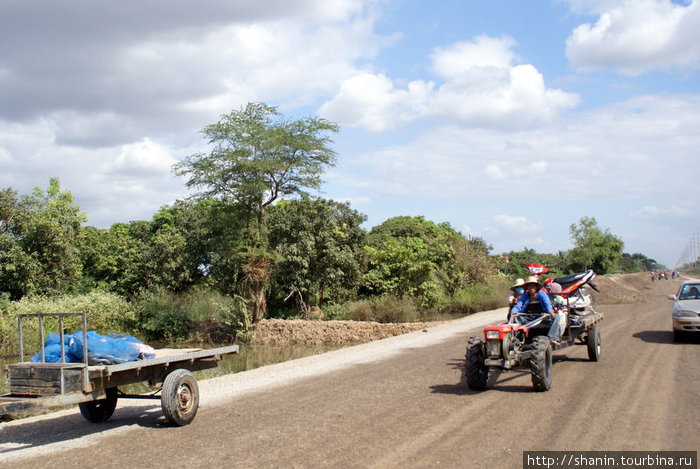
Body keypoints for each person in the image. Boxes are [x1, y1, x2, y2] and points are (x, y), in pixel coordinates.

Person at [510, 276, 561, 344]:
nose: (531, 288)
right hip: (527, 318)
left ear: (536, 287)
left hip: (541, 317)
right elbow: (519, 305)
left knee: (556, 317)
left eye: (533, 286)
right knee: (514, 319)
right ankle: (516, 339)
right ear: (527, 288)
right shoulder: (525, 295)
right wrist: (513, 311)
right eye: (529, 286)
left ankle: (552, 337)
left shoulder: (542, 294)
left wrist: (550, 311)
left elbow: (547, 303)